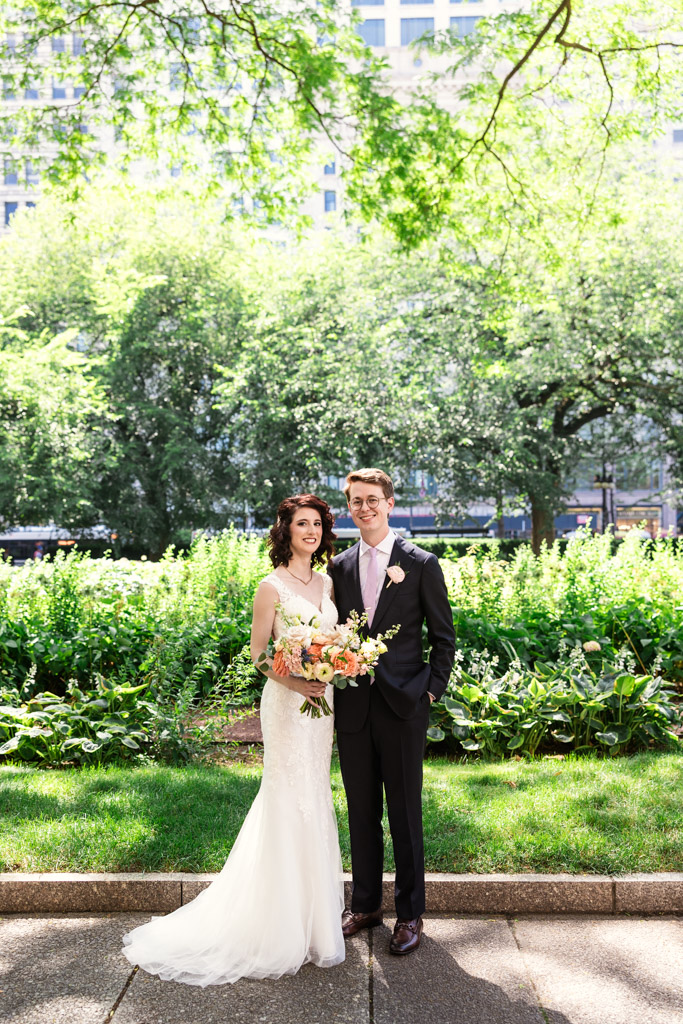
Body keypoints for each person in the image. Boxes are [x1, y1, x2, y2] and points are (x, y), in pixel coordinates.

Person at [122, 494, 345, 986]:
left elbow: (335, 641)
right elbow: (260, 655)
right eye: (301, 524)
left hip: (321, 708)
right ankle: (274, 925)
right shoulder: (270, 587)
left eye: (317, 524)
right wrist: (298, 682)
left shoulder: (328, 583)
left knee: (315, 796)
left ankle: (315, 927)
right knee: (287, 796)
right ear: (285, 530)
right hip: (288, 705)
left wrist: (336, 665)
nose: (310, 531)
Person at [328, 468, 455, 955]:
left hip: (404, 707)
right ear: (350, 507)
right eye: (356, 501)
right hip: (355, 708)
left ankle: (409, 914)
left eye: (373, 499)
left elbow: (444, 639)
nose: (365, 508)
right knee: (361, 812)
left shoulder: (420, 563)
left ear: (390, 503)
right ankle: (364, 905)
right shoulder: (338, 567)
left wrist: (430, 692)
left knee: (404, 814)